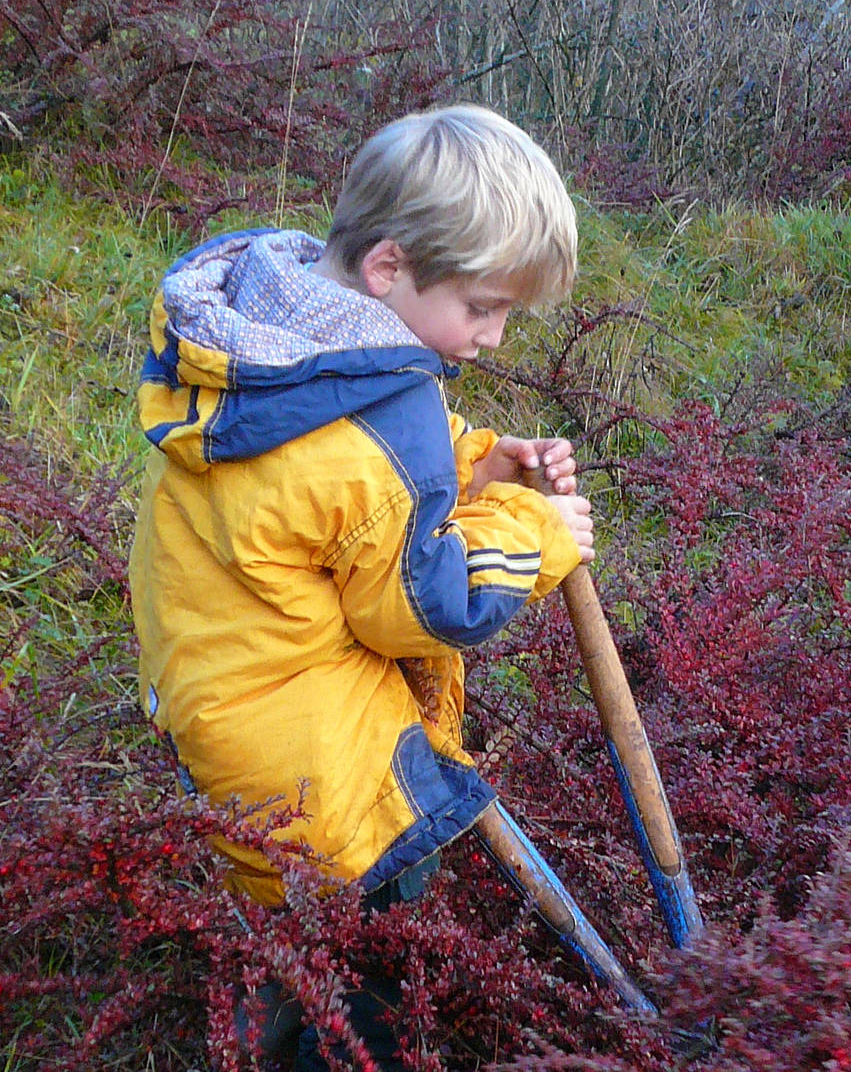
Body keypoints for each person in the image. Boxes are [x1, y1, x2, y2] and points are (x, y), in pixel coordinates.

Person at [128, 103, 594, 1069]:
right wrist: (534, 531)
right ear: (388, 269)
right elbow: (424, 604)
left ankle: (258, 1005)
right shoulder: (380, 422)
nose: (497, 338)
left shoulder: (271, 336)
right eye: (484, 307)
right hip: (315, 766)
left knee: (279, 912)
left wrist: (469, 463)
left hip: (215, 708)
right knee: (373, 939)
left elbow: (327, 494)